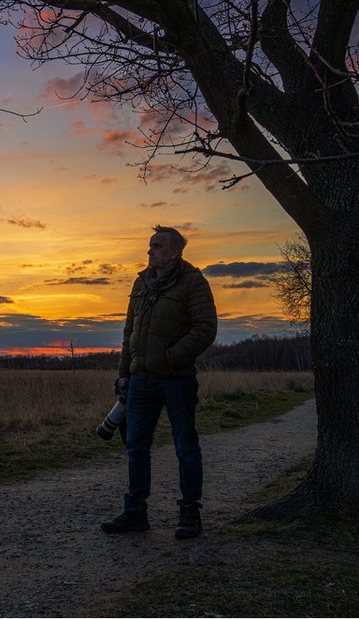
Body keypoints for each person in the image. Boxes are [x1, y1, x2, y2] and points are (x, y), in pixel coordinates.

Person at [101, 225, 218, 539]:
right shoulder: (141, 283)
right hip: (141, 381)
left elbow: (205, 329)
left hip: (177, 380)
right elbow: (130, 334)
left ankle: (190, 513)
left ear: (174, 252)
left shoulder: (193, 282)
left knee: (186, 447)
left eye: (156, 246)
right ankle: (135, 513)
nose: (149, 251)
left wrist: (170, 357)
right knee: (136, 448)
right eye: (149, 246)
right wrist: (124, 373)